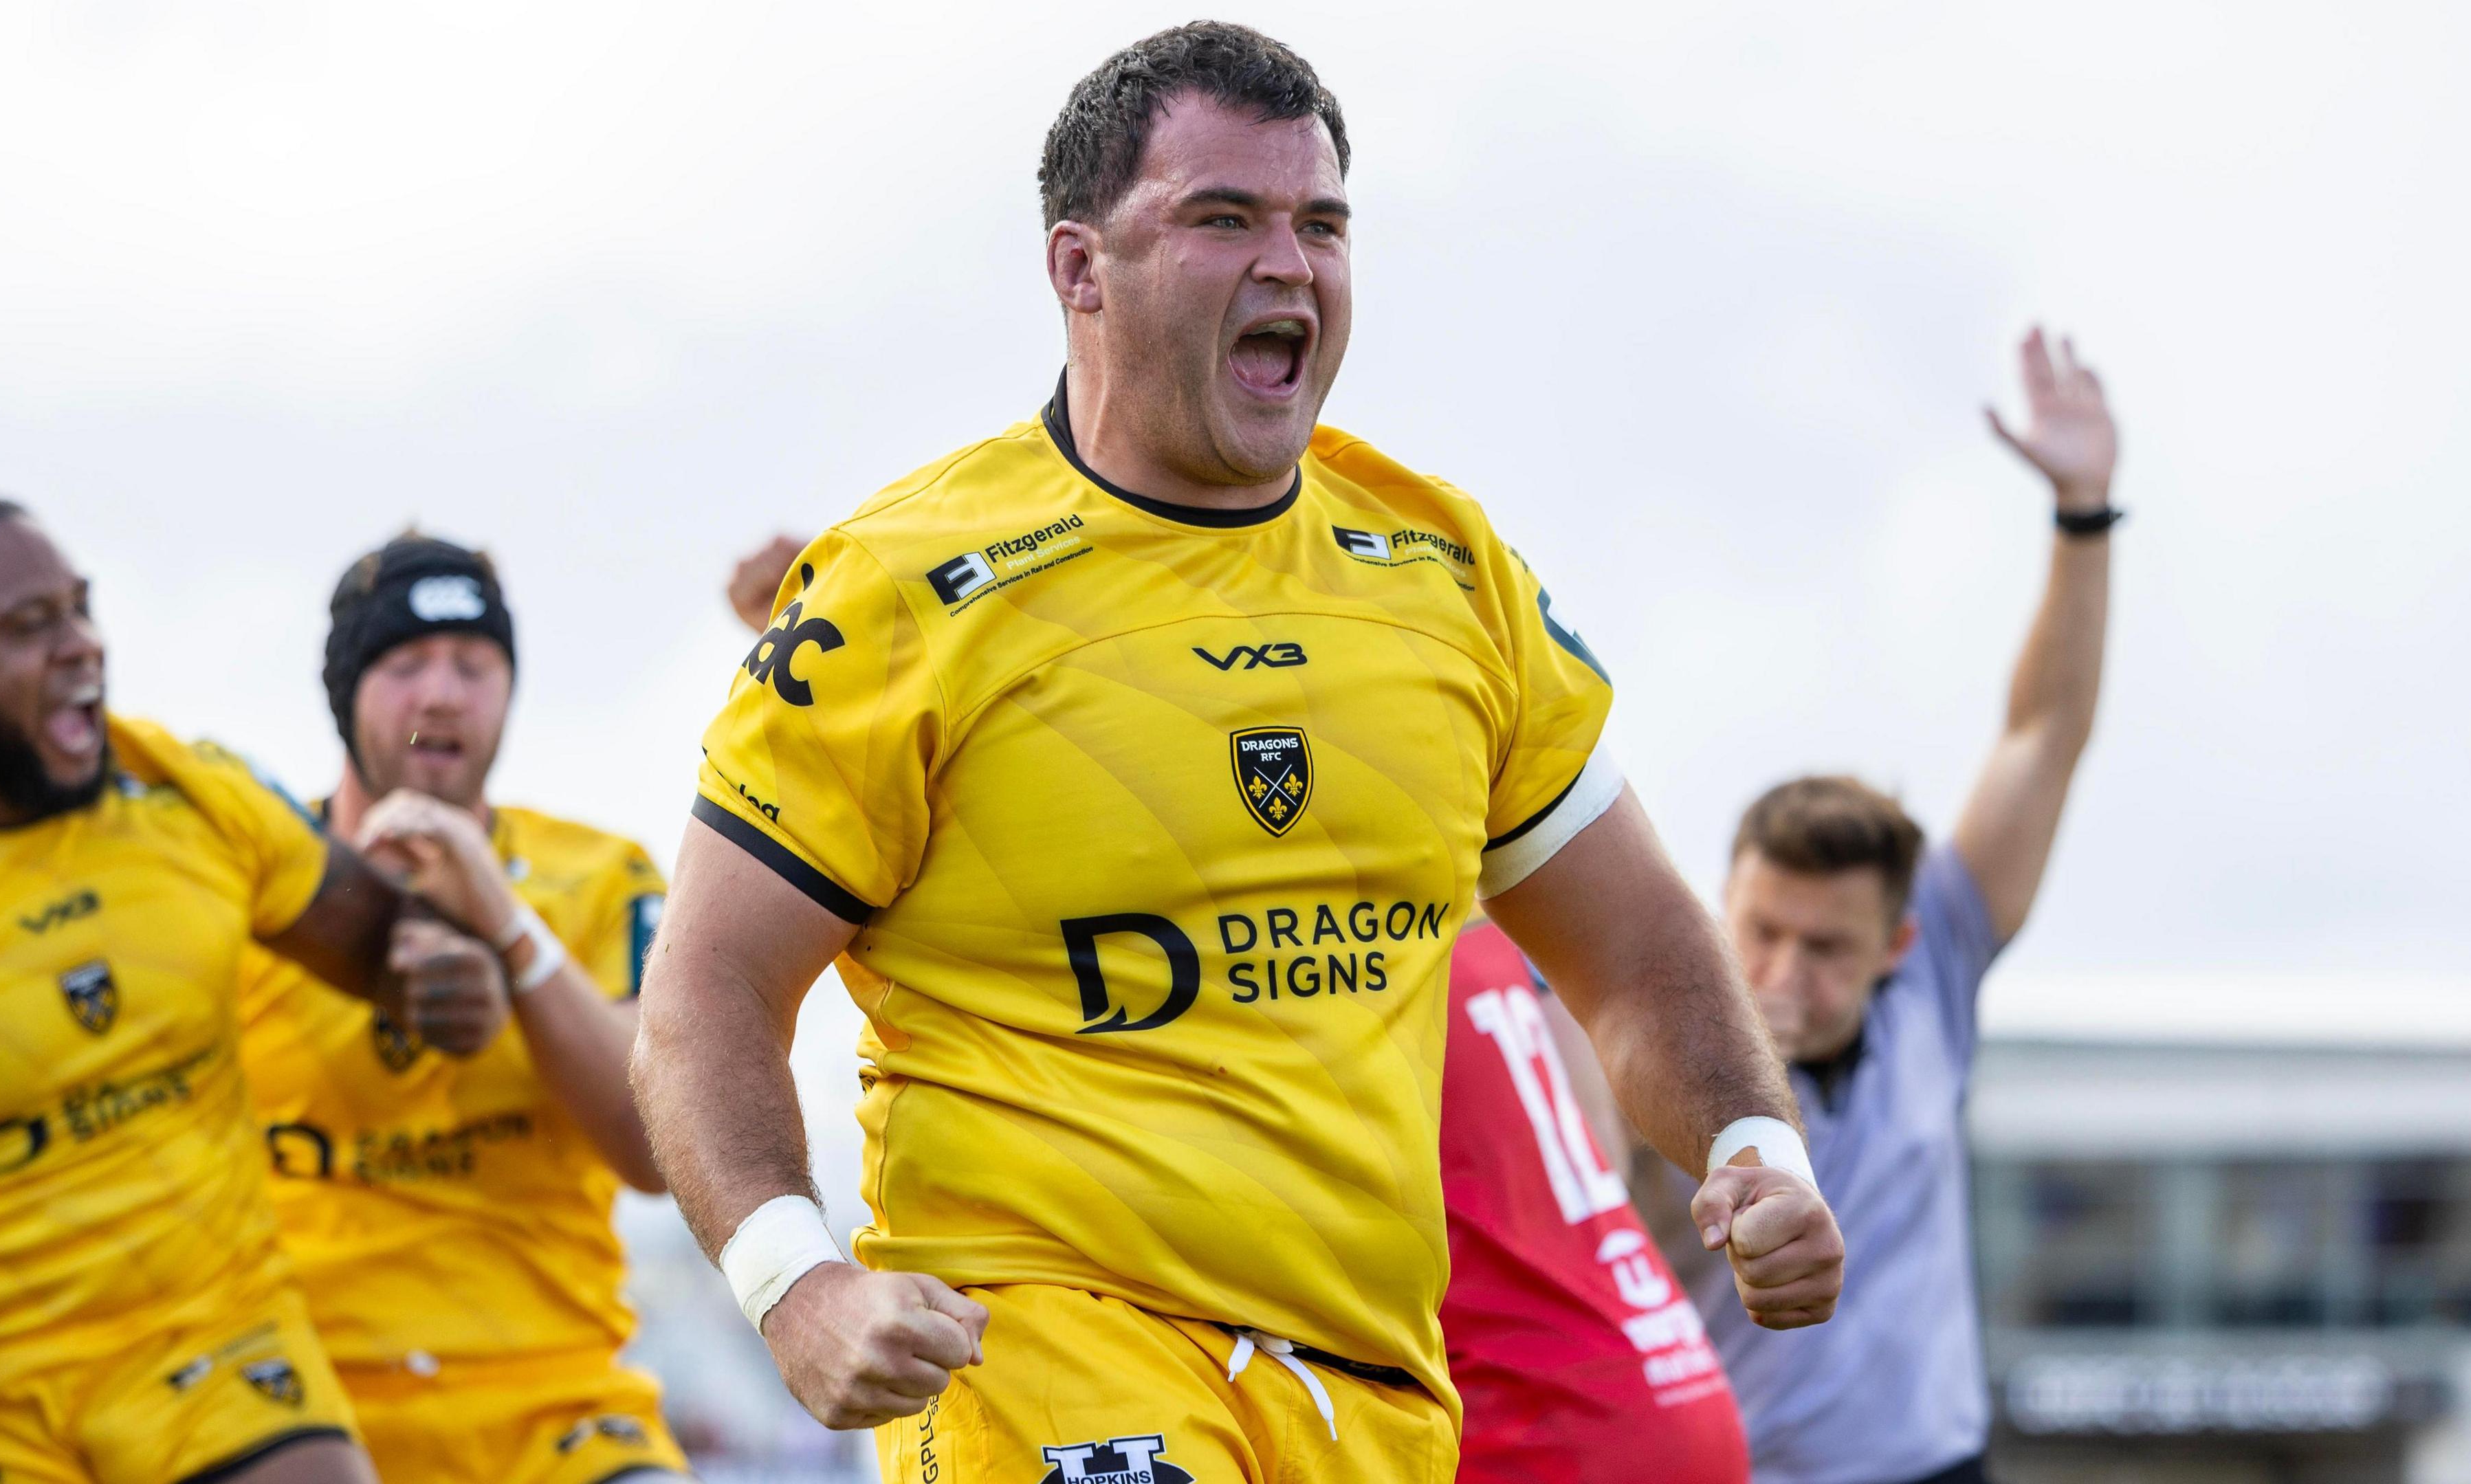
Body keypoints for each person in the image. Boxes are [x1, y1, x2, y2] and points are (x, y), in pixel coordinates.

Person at [639, 23, 1843, 1484]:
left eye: (1322, 223)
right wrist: (792, 1274)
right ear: (1081, 267)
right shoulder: (902, 585)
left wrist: (1751, 1152)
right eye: (1225, 218)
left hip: (1373, 1389)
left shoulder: (1443, 565)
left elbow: (1641, 944)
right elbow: (704, 979)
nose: (1293, 265)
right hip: (1047, 1354)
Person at [732, 547, 1754, 1483]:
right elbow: (1606, 1134)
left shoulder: (1301, 987)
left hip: (1540, 1420)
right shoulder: (1464, 928)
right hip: (1661, 1374)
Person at [0, 494, 509, 1484]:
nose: (81, 645)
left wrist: (450, 974)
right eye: (28, 625)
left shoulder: (189, 792)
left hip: (207, 1341)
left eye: (81, 608)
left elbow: (394, 941)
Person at [1681, 329, 2118, 1484]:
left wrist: (2084, 516)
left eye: (1827, 945)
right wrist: (1726, 1087)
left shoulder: (1940, 967)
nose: (1781, 969)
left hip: (1935, 1464)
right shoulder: (1658, 1025)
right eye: (1760, 929)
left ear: (1899, 942)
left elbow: (2045, 734)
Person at [237, 532, 691, 1483]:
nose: (442, 692)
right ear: (345, 691)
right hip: (294, 1407)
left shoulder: (600, 874)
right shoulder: (256, 883)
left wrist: (506, 920)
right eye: (406, 663)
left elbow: (658, 1152)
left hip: (554, 1410)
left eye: (475, 665)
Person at [1442, 916, 1748, 1483]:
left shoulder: (1315, 966)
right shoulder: (1494, 925)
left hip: (1543, 1425)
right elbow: (1605, 1147)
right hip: (1670, 1378)